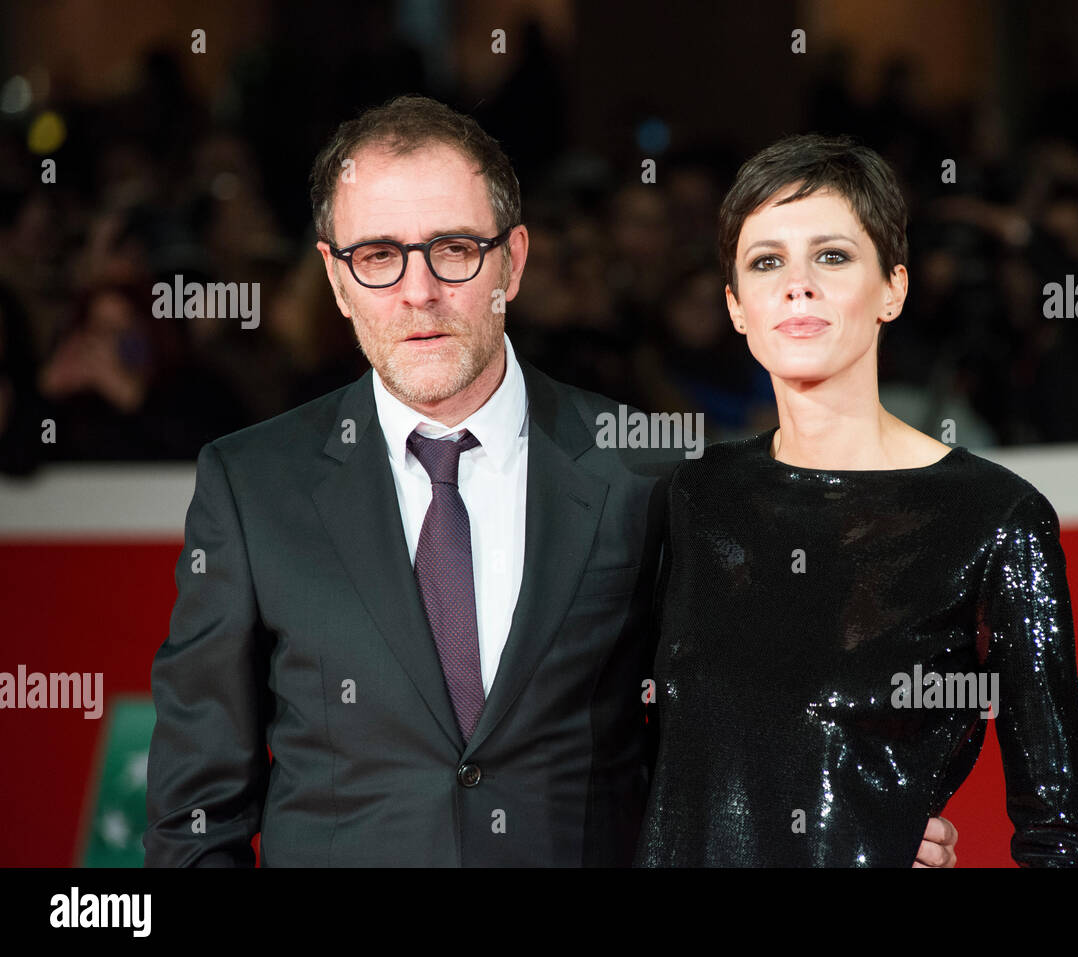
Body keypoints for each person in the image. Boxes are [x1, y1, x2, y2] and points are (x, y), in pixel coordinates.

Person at [143, 97, 959, 866]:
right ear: (335, 279)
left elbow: (729, 726)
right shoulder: (252, 487)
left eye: (455, 249)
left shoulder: (642, 469)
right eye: (379, 257)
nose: (419, 290)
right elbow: (196, 816)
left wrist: (849, 813)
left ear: (515, 261)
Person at [636, 134, 1078, 867]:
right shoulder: (695, 494)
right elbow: (651, 759)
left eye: (832, 255)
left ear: (894, 288)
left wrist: (859, 837)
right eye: (766, 262)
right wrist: (854, 826)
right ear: (735, 306)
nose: (798, 284)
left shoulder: (994, 519)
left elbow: (1059, 834)